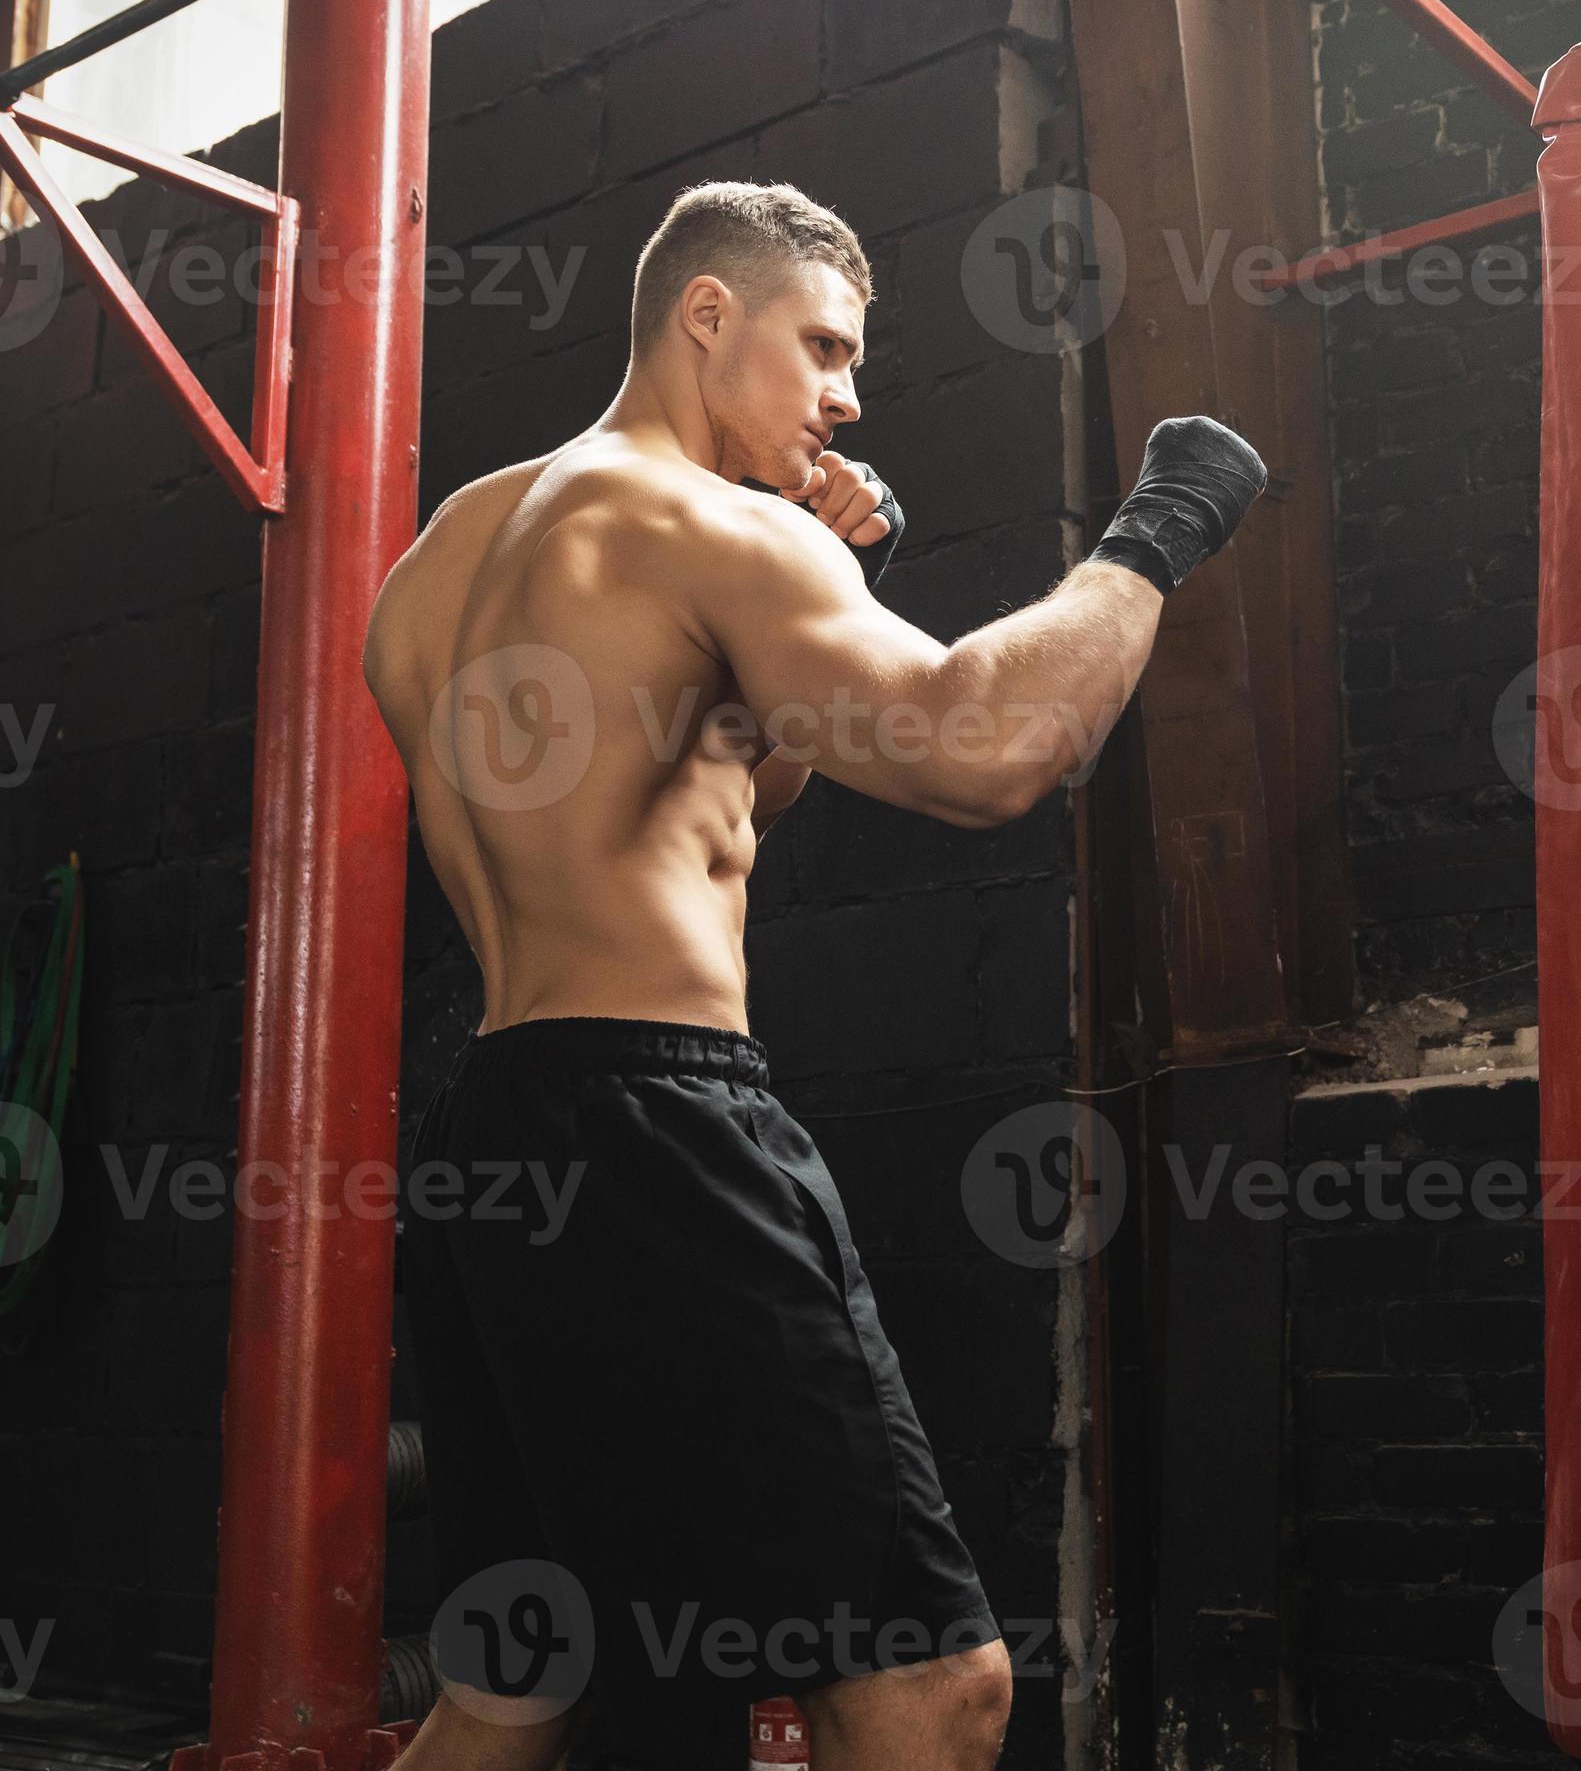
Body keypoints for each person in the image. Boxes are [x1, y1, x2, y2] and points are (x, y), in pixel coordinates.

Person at [360, 180, 1268, 1770]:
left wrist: (811, 594)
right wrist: (1156, 536)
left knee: (521, 1682)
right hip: (663, 1127)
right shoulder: (708, 527)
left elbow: (709, 790)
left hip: (496, 1132)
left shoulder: (447, 558)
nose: (849, 396)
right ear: (705, 316)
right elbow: (989, 749)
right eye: (826, 347)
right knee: (934, 1686)